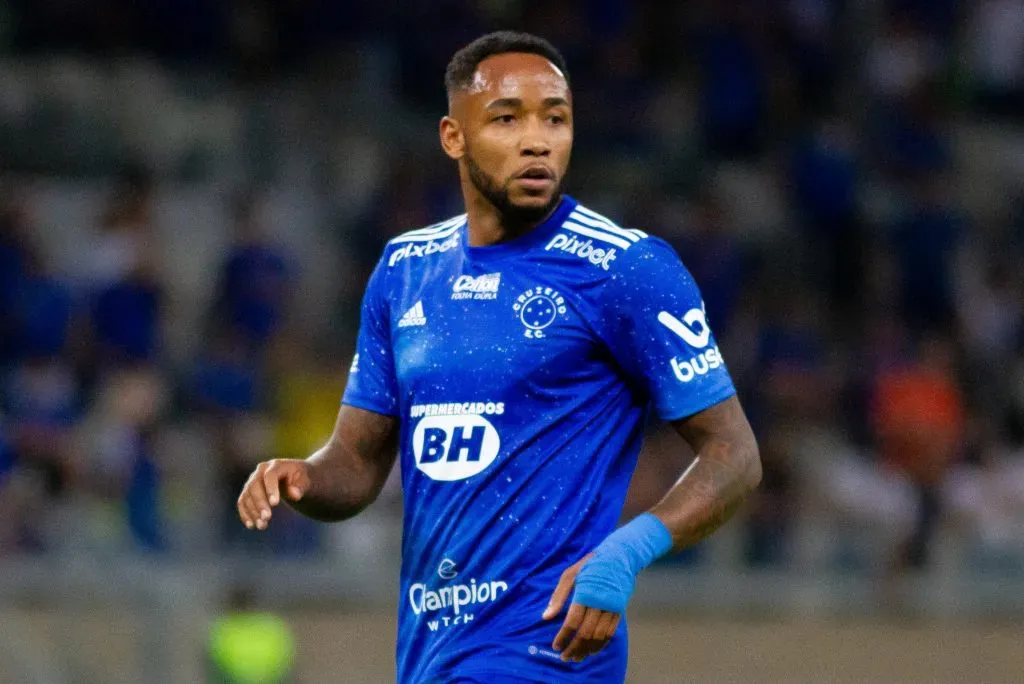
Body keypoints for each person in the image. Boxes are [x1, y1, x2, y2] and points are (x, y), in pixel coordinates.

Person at [237, 31, 761, 683]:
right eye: (508, 118)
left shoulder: (625, 269)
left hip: (546, 652)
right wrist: (305, 479)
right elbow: (359, 461)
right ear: (454, 137)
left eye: (556, 119)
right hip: (431, 655)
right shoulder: (406, 270)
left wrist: (626, 551)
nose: (537, 139)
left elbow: (734, 454)